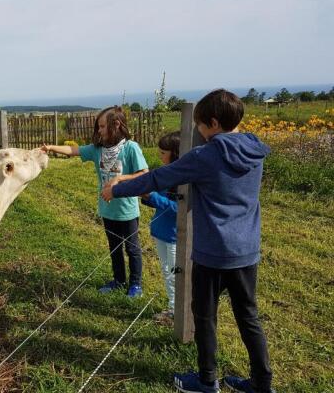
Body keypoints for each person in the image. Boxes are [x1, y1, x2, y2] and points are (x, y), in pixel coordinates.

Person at [101, 90, 274, 393]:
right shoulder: (254, 149)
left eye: (201, 127)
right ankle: (262, 383)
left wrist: (116, 189)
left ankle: (207, 380)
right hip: (247, 250)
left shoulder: (206, 155)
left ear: (214, 122)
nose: (199, 133)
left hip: (212, 252)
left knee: (204, 316)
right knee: (249, 317)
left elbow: (158, 178)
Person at [42, 106, 148, 297]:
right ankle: (119, 280)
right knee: (114, 247)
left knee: (132, 248)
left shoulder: (131, 148)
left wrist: (119, 179)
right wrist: (50, 147)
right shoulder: (97, 150)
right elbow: (73, 150)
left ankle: (136, 284)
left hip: (127, 211)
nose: (99, 130)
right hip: (107, 211)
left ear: (116, 124)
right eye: (98, 127)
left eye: (102, 126)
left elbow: (144, 174)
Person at [141, 131, 180, 324]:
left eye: (163, 152)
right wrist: (148, 198)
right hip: (161, 232)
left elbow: (179, 209)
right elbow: (162, 200)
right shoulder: (167, 174)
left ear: (175, 153)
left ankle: (177, 312)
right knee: (167, 271)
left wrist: (153, 197)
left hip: (174, 236)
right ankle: (174, 307)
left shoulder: (183, 180)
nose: (160, 156)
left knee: (174, 274)